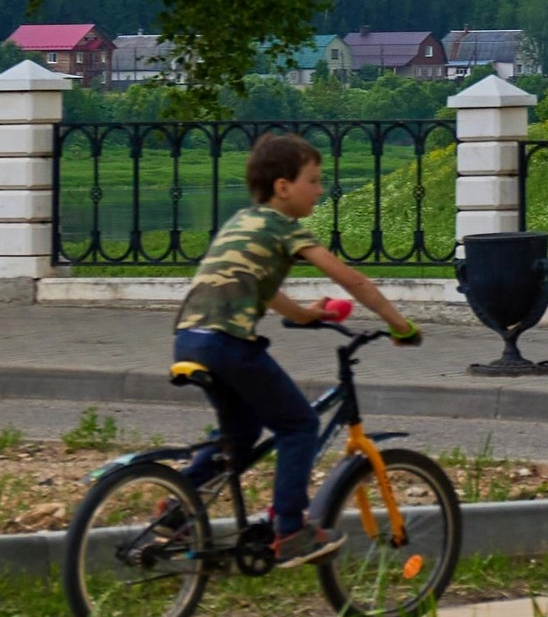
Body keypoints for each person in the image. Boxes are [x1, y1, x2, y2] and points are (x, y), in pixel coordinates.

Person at [172, 133, 420, 566]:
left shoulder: (242, 221)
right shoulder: (286, 228)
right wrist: (400, 325)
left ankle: (178, 506)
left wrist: (306, 314)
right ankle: (289, 529)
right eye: (314, 180)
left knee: (241, 435)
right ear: (282, 187)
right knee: (300, 425)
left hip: (190, 339)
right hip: (231, 345)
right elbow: (352, 281)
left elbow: (259, 287)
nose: (320, 190)